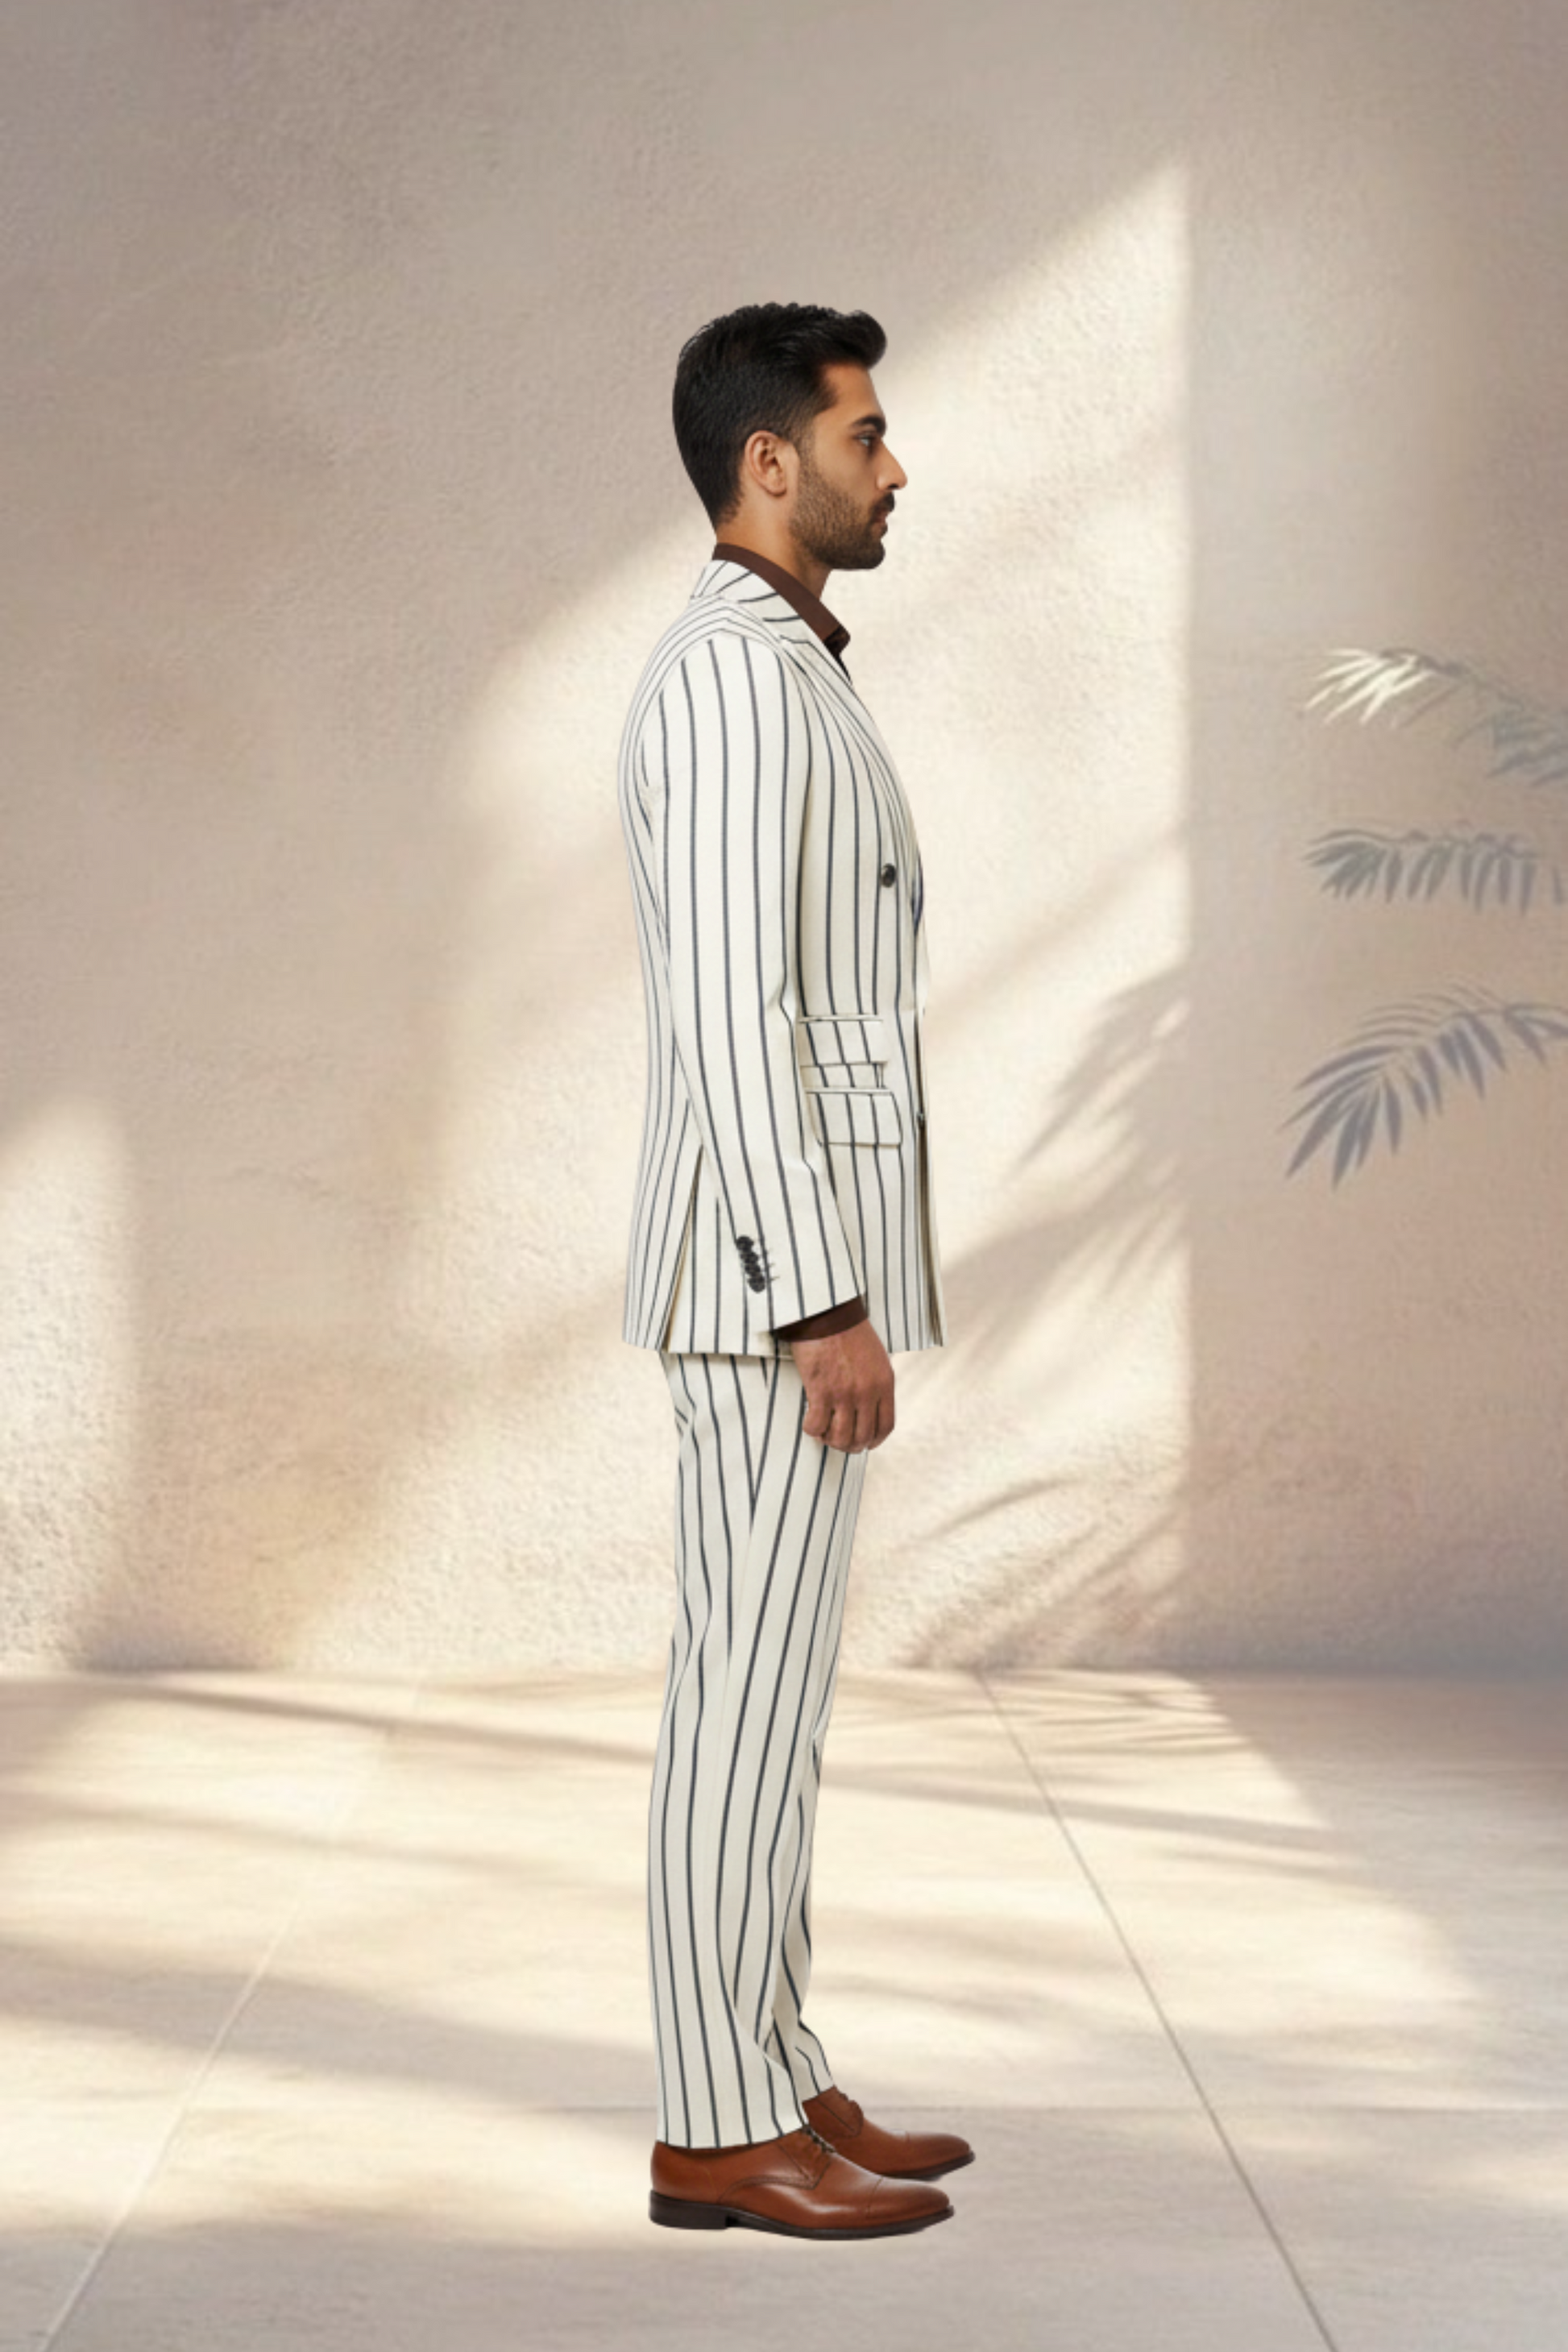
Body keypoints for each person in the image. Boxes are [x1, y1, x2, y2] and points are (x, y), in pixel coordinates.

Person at [616, 301, 969, 2240]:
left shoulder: (780, 666)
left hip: (786, 1275)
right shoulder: (736, 686)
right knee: (737, 1704)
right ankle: (712, 2125)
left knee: (777, 1702)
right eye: (865, 433)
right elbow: (734, 1024)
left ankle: (768, 2060)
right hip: (769, 1292)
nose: (891, 464)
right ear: (773, 461)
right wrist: (810, 1296)